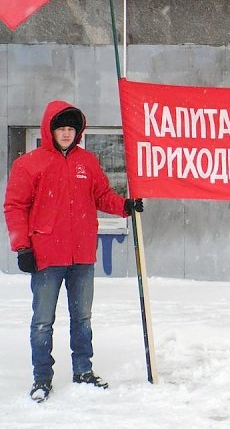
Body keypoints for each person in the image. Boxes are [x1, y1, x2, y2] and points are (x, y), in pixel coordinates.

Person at [3, 101, 144, 403]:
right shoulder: (29, 164)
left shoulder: (87, 162)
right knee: (42, 321)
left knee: (82, 318)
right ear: (50, 130)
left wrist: (124, 206)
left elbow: (102, 195)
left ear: (77, 132)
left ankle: (83, 371)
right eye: (61, 128)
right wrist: (22, 246)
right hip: (46, 256)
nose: (66, 134)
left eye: (71, 129)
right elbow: (15, 206)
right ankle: (42, 379)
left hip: (81, 254)